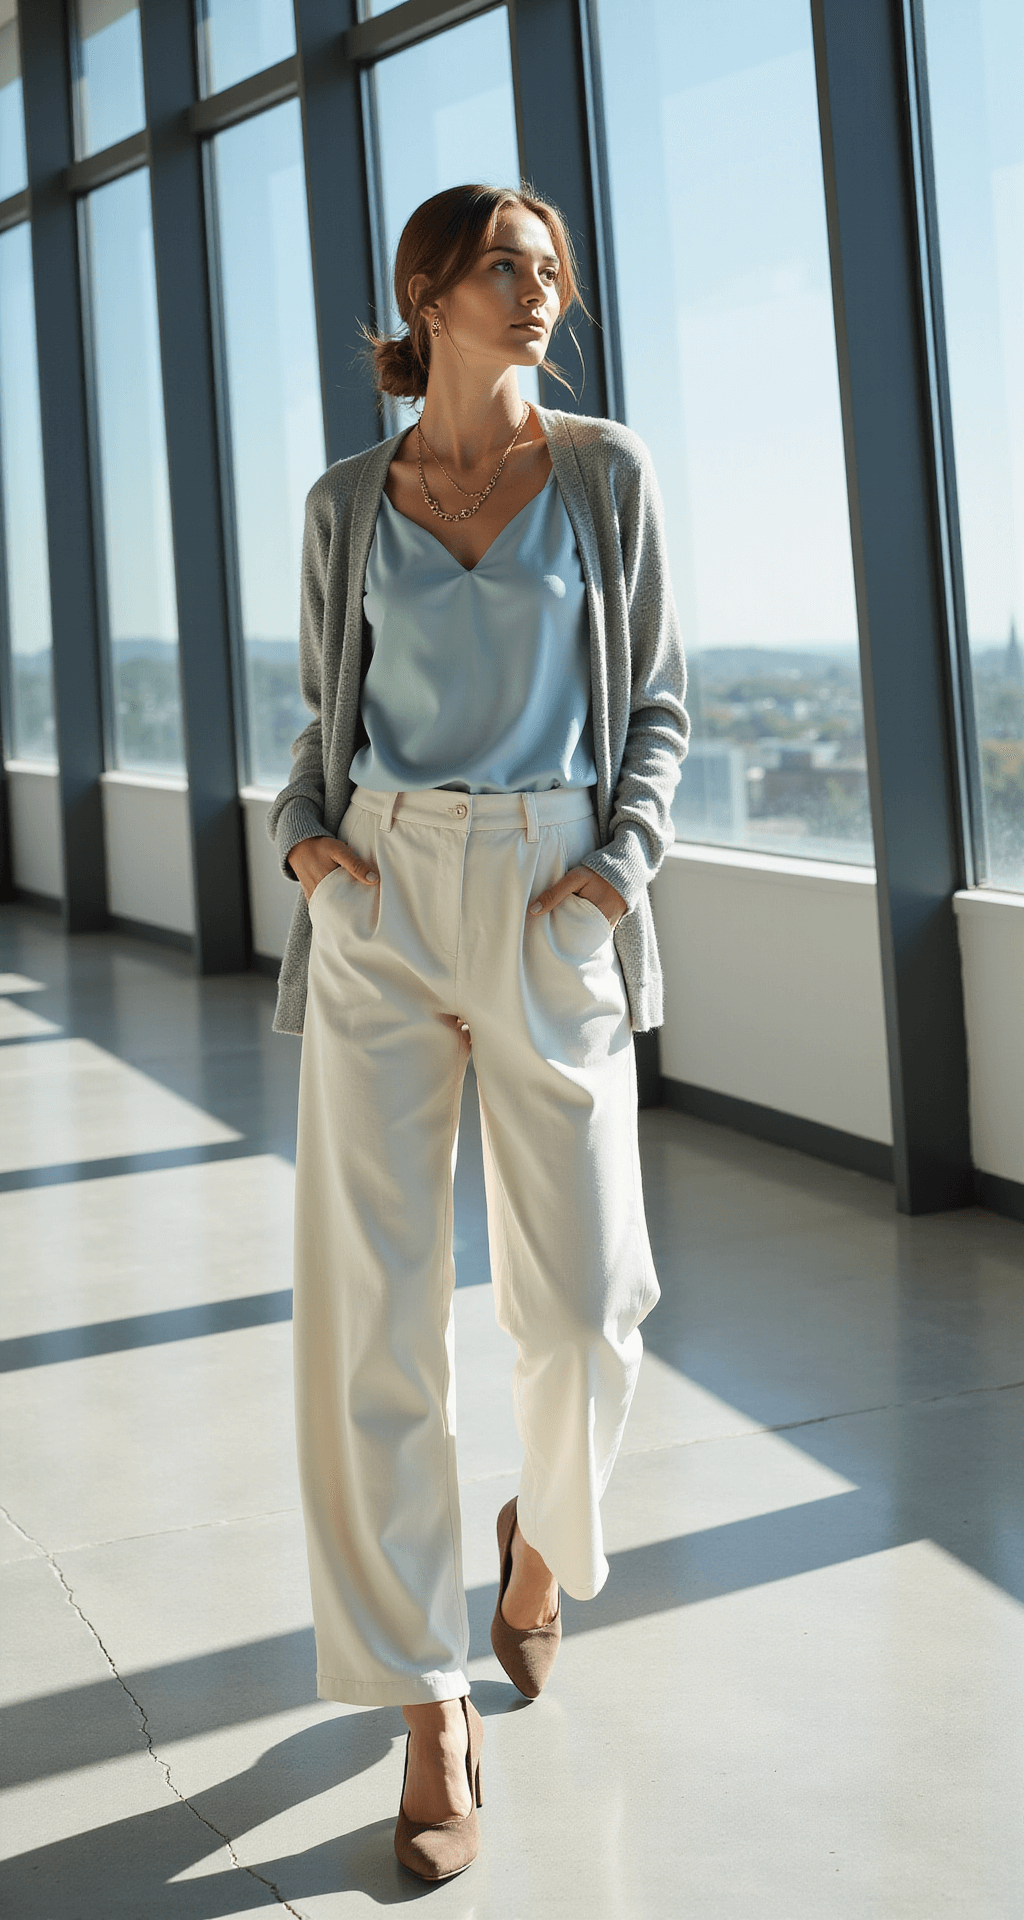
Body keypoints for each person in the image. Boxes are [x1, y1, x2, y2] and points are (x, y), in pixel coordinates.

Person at [267, 181, 688, 1882]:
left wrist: (608, 878)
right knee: (371, 1316)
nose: (541, 294)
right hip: (381, 889)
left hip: (543, 888)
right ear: (427, 292)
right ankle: (425, 1709)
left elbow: (655, 707)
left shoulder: (604, 477)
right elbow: (321, 714)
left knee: (588, 1302)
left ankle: (534, 1560)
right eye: (508, 268)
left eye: (555, 271)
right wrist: (312, 854)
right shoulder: (346, 501)